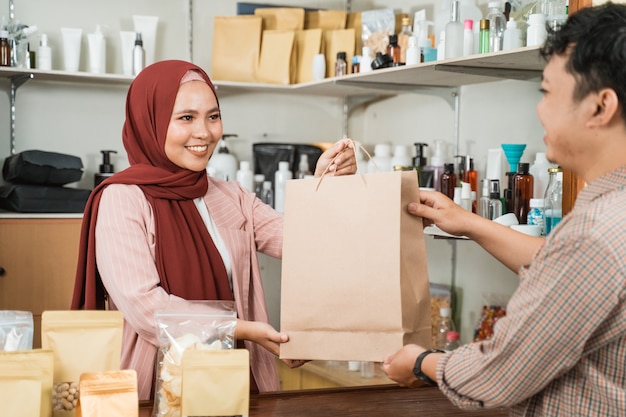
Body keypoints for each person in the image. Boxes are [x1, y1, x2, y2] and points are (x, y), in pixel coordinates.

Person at [383, 3, 626, 416]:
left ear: (601, 106)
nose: (539, 108)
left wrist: (422, 362)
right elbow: (557, 264)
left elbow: (500, 373)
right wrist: (469, 224)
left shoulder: (593, 234)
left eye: (547, 91)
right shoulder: (608, 221)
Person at [71, 59, 356, 401]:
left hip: (240, 381)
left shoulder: (228, 195)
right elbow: (148, 309)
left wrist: (326, 183)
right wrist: (240, 329)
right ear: (151, 121)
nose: (204, 133)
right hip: (159, 389)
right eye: (186, 118)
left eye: (213, 116)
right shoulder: (122, 199)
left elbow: (303, 241)